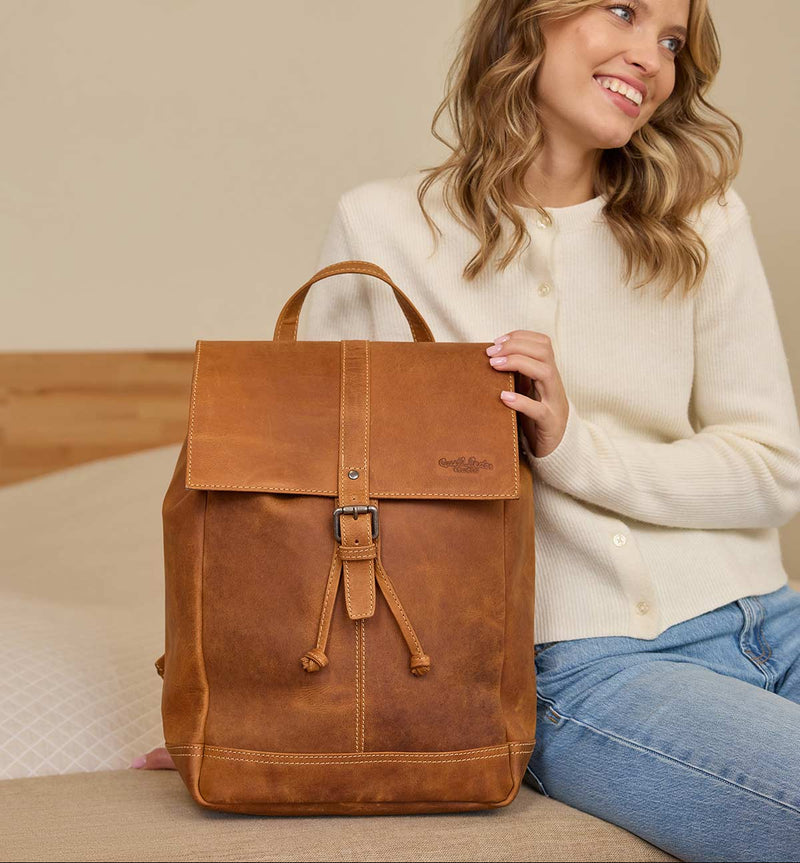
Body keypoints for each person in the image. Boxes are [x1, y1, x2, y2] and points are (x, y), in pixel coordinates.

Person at [133, 1, 800, 858]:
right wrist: (252, 702)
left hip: (771, 617)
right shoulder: (386, 229)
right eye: (623, 11)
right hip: (583, 664)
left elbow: (773, 469)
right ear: (529, 19)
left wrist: (571, 446)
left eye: (672, 41)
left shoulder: (703, 219)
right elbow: (316, 499)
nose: (652, 58)